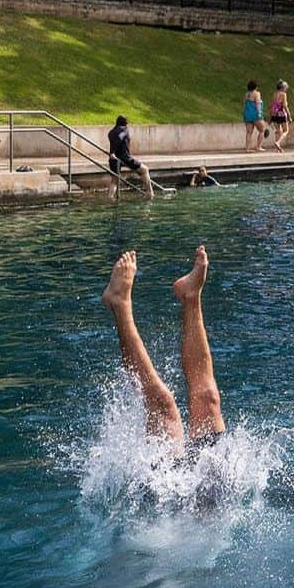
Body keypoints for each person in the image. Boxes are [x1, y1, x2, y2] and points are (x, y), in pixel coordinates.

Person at [101, 245, 224, 454]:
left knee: (162, 403)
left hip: (174, 481)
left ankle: (118, 303)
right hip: (213, 476)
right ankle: (190, 295)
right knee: (208, 397)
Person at [107, 114, 154, 200]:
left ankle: (110, 198)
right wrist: (112, 152)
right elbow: (119, 139)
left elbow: (115, 140)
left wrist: (112, 153)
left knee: (115, 179)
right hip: (124, 157)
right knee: (145, 169)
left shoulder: (111, 132)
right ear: (125, 123)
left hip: (113, 159)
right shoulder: (123, 130)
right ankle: (150, 193)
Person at [268, 80, 292, 151]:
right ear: (283, 87)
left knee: (278, 130)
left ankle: (277, 149)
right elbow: (284, 106)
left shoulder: (275, 93)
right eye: (286, 87)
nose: (286, 89)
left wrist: (270, 116)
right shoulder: (283, 94)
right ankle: (278, 142)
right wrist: (289, 116)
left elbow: (273, 105)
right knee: (286, 130)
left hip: (274, 113)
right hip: (281, 113)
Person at [243, 80, 265, 153]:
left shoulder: (247, 94)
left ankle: (247, 148)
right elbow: (258, 103)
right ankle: (258, 146)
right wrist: (259, 113)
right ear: (256, 87)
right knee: (262, 130)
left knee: (249, 132)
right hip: (255, 113)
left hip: (247, 114)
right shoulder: (257, 93)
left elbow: (244, 103)